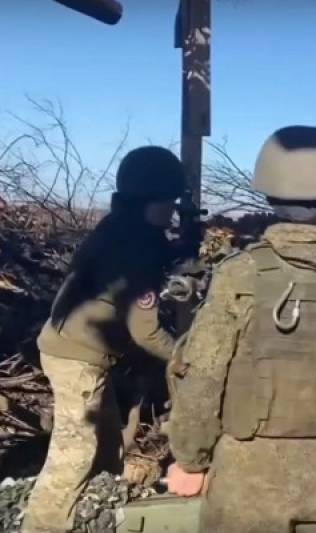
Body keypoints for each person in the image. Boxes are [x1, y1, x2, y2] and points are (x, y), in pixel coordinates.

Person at [165, 126, 316, 533]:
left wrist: (190, 460)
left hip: (245, 473)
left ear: (269, 194)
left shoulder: (240, 273)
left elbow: (204, 373)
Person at [22, 146, 184, 533]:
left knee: (109, 444)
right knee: (74, 455)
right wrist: (185, 355)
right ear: (150, 200)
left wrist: (180, 252)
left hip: (76, 349)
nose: (173, 211)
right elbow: (146, 331)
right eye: (169, 202)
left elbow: (149, 250)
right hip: (77, 357)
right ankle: (42, 526)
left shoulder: (123, 226)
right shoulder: (135, 248)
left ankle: (96, 513)